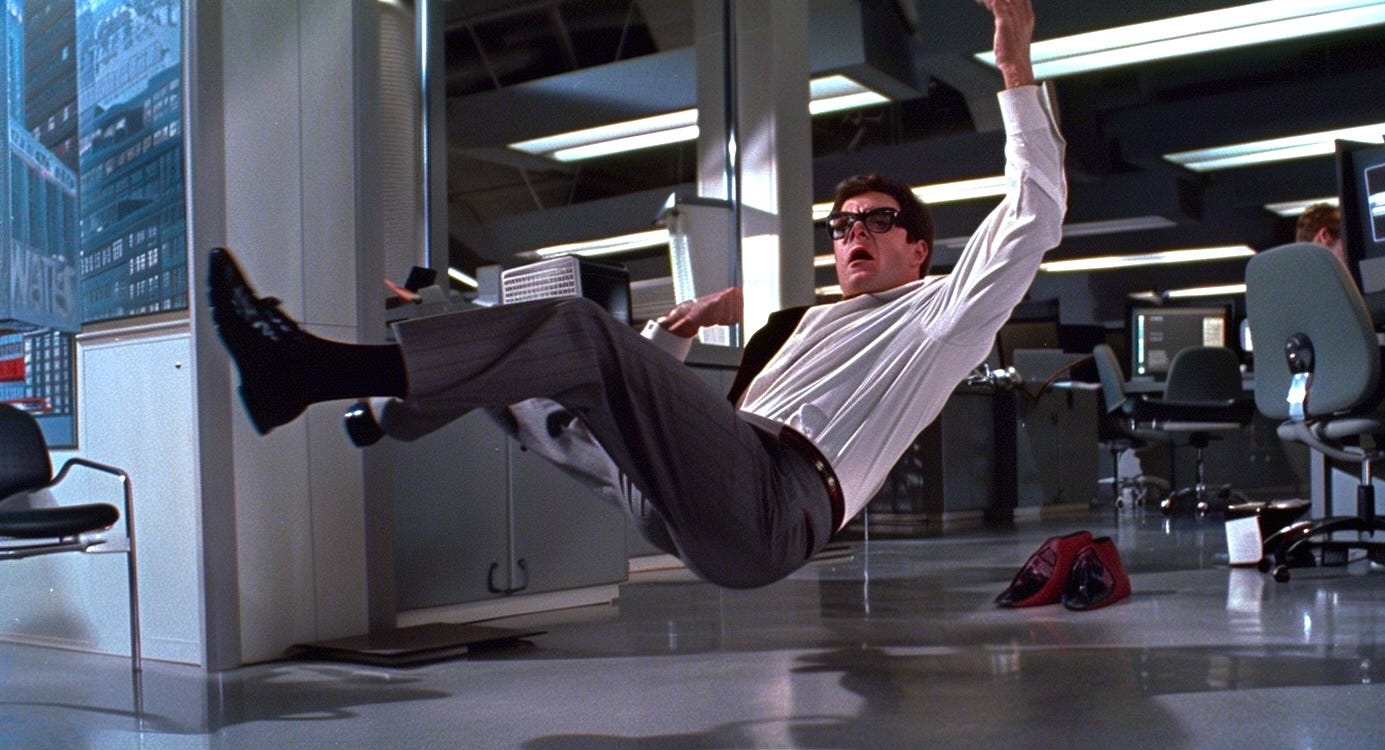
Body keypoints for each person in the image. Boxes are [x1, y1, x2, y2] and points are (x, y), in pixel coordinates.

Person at [207, 0, 1066, 590]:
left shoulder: (940, 314)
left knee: (579, 334)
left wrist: (1014, 65)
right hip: (701, 492)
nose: (853, 234)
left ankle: (314, 371)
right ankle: (377, 404)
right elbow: (676, 414)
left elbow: (1034, 213)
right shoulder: (804, 325)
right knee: (533, 379)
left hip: (774, 506)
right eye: (841, 225)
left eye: (878, 221)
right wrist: (675, 336)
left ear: (918, 249)